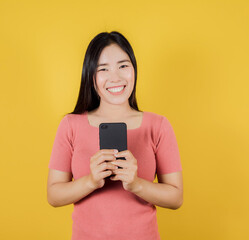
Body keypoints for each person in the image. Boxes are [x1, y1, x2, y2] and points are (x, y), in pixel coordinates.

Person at [47, 31, 183, 240]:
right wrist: (91, 181)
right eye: (103, 69)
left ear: (134, 69)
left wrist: (136, 184)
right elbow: (54, 195)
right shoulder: (70, 125)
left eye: (123, 66)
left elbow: (176, 197)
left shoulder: (158, 126)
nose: (115, 77)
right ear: (91, 76)